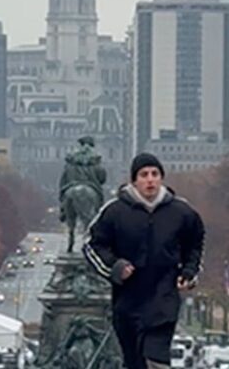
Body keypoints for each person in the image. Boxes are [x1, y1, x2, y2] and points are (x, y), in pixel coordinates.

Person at [82, 152, 205, 369]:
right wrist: (115, 266)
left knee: (156, 356)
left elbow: (195, 244)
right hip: (128, 301)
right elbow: (93, 245)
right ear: (134, 181)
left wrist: (188, 272)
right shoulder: (115, 212)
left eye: (155, 174)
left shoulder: (182, 212)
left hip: (163, 297)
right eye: (144, 174)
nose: (150, 179)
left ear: (161, 178)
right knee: (134, 360)